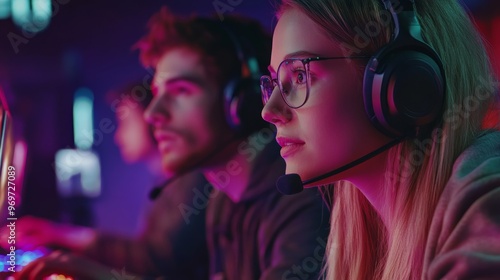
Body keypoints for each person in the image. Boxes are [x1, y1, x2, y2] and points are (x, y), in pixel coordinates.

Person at [14, 7, 330, 280]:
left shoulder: (300, 197)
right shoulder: (224, 201)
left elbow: (156, 258)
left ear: (240, 103)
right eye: (157, 93)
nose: (153, 114)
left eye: (180, 91)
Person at [261, 0, 500, 279]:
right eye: (275, 82)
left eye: (300, 75)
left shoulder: (487, 199)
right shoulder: (363, 238)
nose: (269, 111)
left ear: (405, 84)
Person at [4, 81, 210, 279]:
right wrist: (61, 238)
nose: (119, 136)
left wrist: (74, 260)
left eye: (125, 122)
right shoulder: (167, 182)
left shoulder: (193, 178)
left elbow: (157, 260)